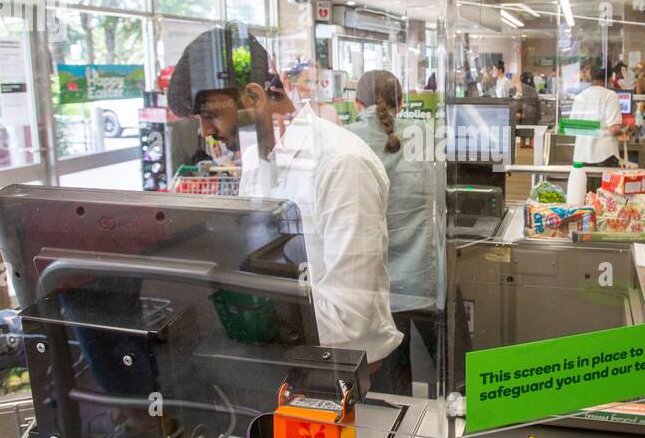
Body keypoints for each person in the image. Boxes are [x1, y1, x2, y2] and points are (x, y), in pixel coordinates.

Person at [170, 28, 402, 369]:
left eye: (210, 115)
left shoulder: (341, 163)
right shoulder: (254, 161)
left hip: (345, 368)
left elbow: (351, 312)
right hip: (283, 357)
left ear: (254, 97)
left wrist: (253, 322)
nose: (205, 131)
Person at [347, 70, 442, 393]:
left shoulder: (345, 139)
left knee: (392, 386)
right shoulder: (426, 133)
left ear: (357, 103)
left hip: (376, 287)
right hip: (425, 279)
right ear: (402, 104)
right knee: (450, 379)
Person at [569, 62, 626, 166]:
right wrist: (626, 130)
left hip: (582, 155)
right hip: (604, 155)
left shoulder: (580, 96)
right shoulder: (610, 95)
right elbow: (614, 130)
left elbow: (572, 128)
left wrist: (592, 129)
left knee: (584, 183)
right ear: (609, 78)